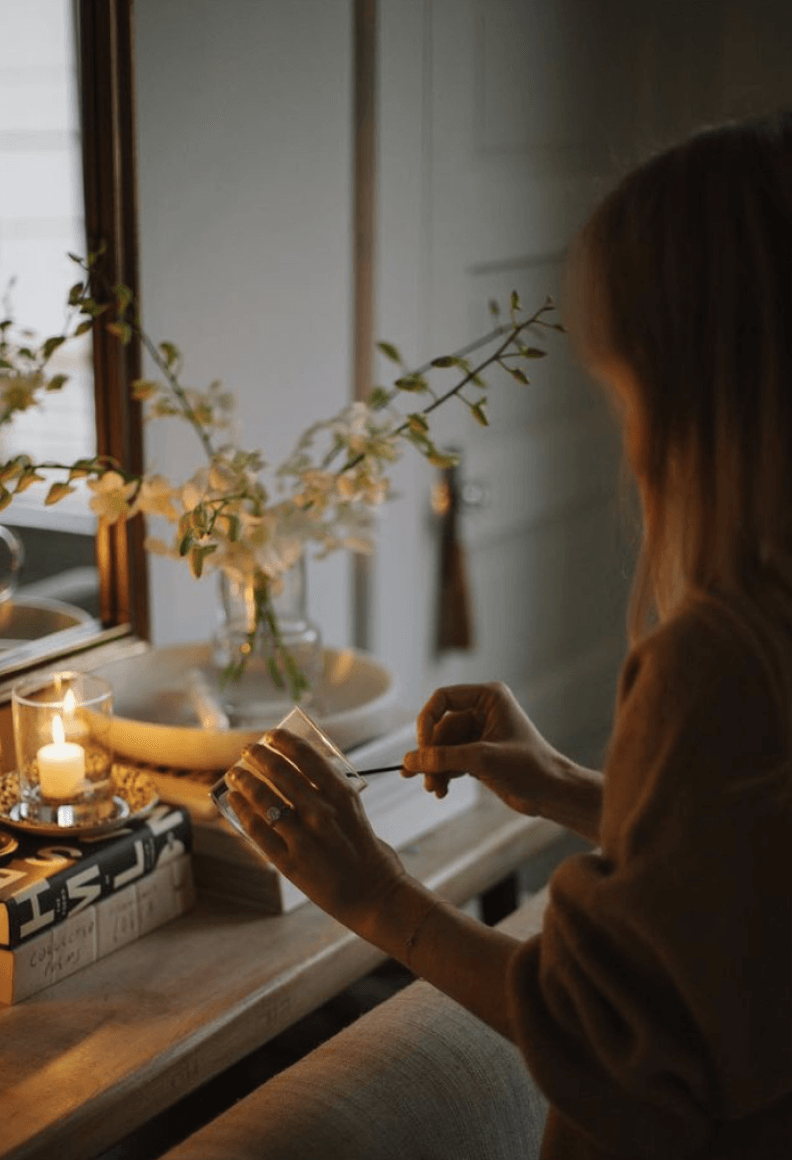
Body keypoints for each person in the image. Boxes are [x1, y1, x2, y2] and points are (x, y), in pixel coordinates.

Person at [226, 111, 792, 1159]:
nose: (629, 443)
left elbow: (604, 1036)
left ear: (697, 393)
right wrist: (566, 782)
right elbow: (744, 878)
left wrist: (376, 893)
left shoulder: (714, 658)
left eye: (622, 391)